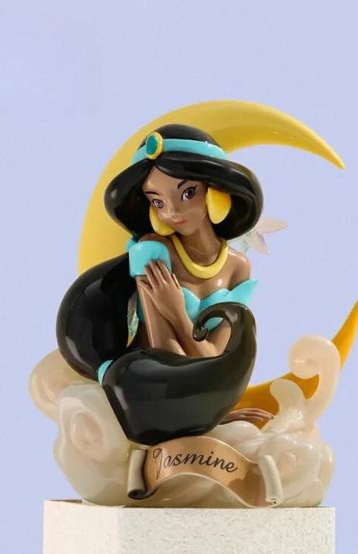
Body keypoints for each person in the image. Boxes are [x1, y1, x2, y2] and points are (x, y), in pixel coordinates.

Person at [56, 124, 265, 445]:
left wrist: (177, 312)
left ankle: (206, 417)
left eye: (187, 193)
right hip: (149, 382)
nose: (173, 212)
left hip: (200, 390)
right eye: (158, 202)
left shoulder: (239, 266)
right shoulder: (153, 250)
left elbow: (221, 355)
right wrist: (206, 374)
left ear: (216, 191)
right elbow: (163, 351)